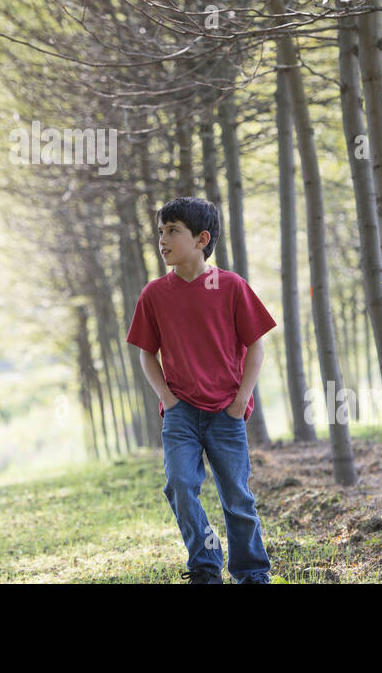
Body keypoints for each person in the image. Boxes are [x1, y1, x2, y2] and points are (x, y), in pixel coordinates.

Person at [126, 196, 275, 584]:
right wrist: (168, 399)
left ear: (201, 238)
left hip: (226, 412)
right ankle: (205, 564)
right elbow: (147, 354)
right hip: (181, 416)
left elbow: (257, 345)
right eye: (160, 231)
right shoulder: (154, 294)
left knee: (237, 500)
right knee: (179, 486)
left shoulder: (230, 286)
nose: (162, 240)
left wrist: (241, 400)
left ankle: (252, 572)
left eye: (172, 231)